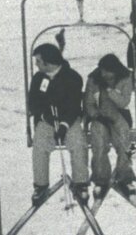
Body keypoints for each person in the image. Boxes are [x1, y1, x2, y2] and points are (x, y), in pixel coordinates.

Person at [25, 43, 89, 207]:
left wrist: (63, 125)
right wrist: (44, 115)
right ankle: (40, 185)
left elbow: (74, 105)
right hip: (47, 121)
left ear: (48, 62)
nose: (36, 65)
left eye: (39, 61)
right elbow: (33, 102)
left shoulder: (73, 77)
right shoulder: (39, 78)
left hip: (69, 120)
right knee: (39, 145)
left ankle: (81, 184)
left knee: (78, 142)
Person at [83, 52, 136, 197]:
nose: (105, 75)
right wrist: (95, 114)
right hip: (100, 115)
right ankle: (100, 179)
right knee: (99, 142)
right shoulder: (93, 79)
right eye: (103, 71)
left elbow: (124, 101)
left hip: (119, 114)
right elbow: (88, 102)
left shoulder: (125, 78)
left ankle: (125, 177)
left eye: (108, 72)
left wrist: (110, 91)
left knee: (123, 141)